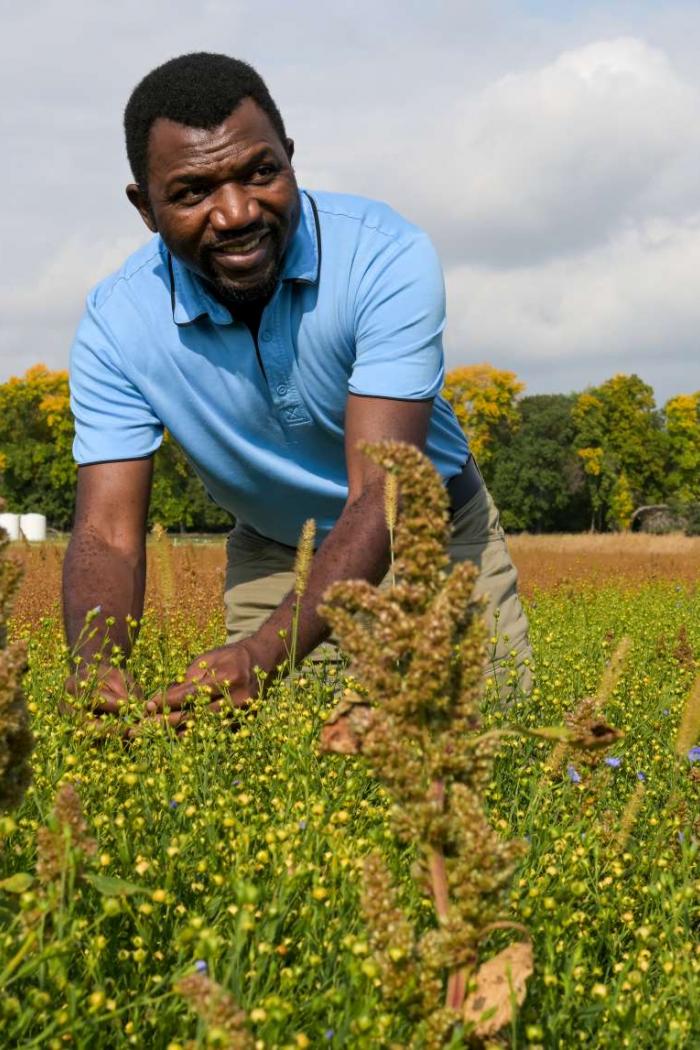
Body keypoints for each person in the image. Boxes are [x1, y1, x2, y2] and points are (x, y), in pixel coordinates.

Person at [63, 52, 531, 730]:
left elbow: (385, 491)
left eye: (260, 173)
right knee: (286, 771)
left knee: (478, 761)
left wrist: (263, 653)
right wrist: (95, 664)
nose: (235, 213)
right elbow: (106, 530)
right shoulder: (116, 324)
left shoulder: (385, 256)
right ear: (145, 206)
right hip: (280, 551)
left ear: (289, 156)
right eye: (193, 193)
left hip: (434, 541)